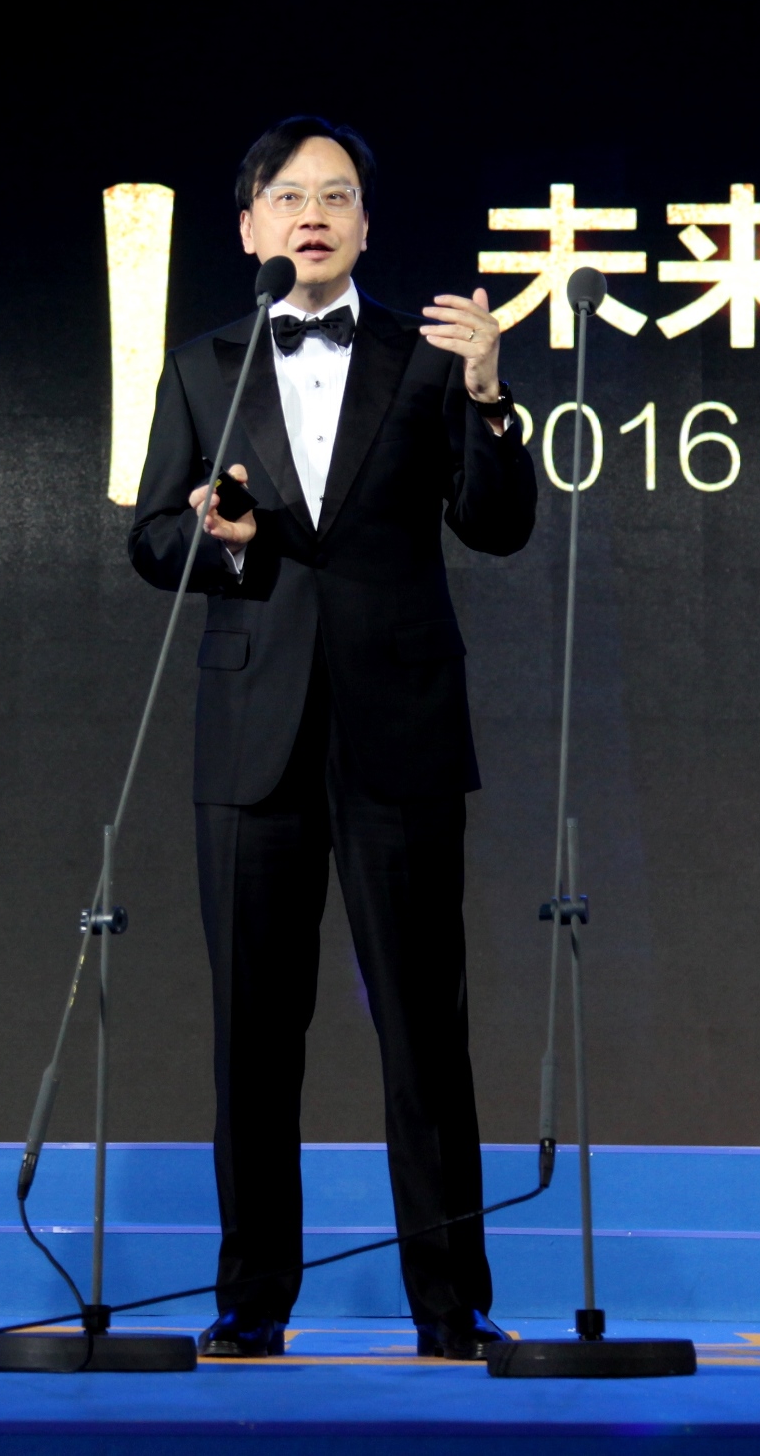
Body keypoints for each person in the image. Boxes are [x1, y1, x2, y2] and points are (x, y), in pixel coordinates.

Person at [128, 116, 536, 1361]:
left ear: (365, 226)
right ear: (250, 226)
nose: (314, 213)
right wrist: (218, 538)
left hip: (397, 730)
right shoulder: (207, 367)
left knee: (423, 1022)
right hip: (252, 732)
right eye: (290, 196)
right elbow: (153, 539)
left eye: (338, 196)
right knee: (255, 1033)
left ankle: (449, 1302)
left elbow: (498, 526)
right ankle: (253, 1301)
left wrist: (488, 400)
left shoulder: (426, 361)